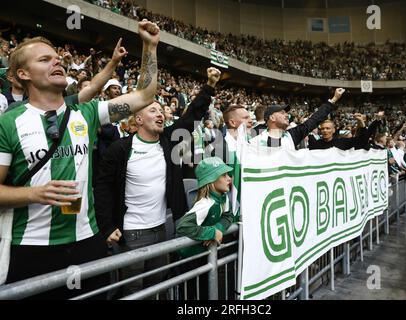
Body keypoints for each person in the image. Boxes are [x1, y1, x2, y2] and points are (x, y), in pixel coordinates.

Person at [0, 19, 160, 298]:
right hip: (32, 249)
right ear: (23, 74)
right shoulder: (8, 123)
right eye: (45, 59)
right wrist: (35, 193)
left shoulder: (85, 113)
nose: (57, 61)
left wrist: (150, 46)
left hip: (88, 243)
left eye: (57, 57)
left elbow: (145, 94)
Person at [94, 67, 220, 296]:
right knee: (132, 289)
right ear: (138, 119)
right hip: (131, 234)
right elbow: (102, 188)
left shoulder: (168, 141)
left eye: (162, 111)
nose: (161, 114)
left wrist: (209, 86)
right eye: (153, 110)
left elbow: (192, 116)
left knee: (157, 284)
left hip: (162, 229)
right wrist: (107, 225)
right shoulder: (120, 149)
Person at [176, 157, 234, 299]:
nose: (229, 178)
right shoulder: (205, 203)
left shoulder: (223, 197)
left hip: (203, 256)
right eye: (224, 175)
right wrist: (211, 233)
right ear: (211, 181)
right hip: (188, 261)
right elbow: (182, 226)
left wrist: (217, 229)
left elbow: (229, 216)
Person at [250, 88, 345, 149]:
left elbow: (314, 120)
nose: (287, 115)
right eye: (282, 113)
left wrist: (333, 100)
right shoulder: (255, 142)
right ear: (272, 117)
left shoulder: (292, 135)